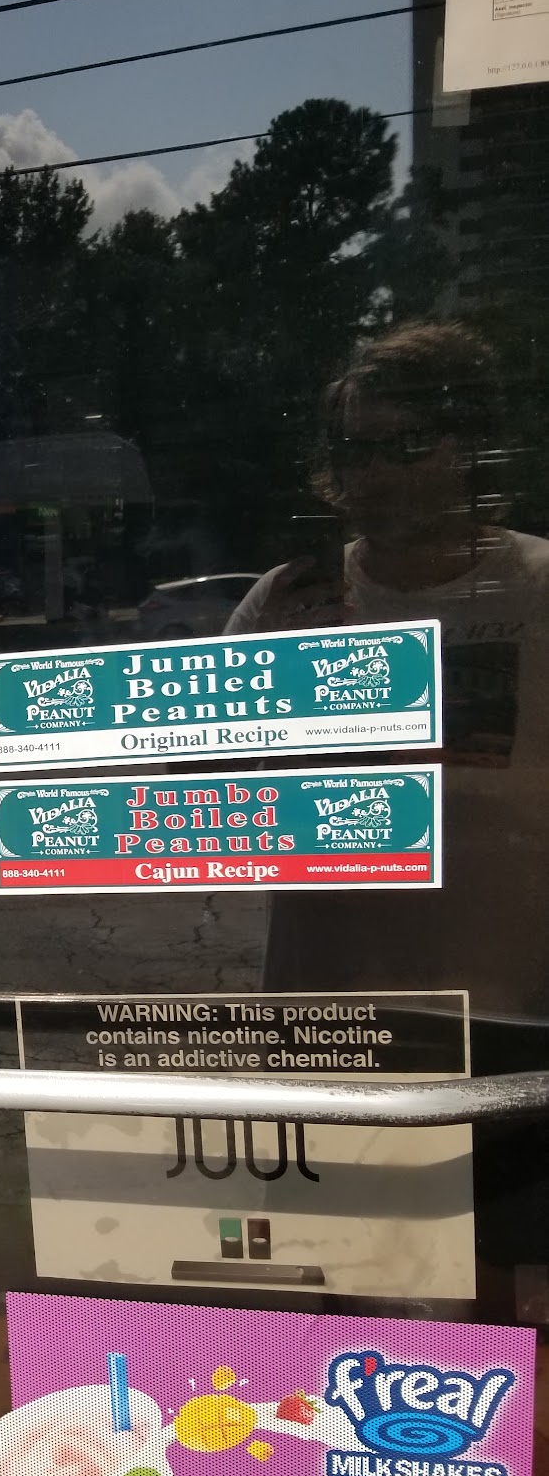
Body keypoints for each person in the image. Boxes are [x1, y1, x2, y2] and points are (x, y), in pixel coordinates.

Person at [226, 321, 549, 1018]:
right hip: (327, 1014)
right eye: (352, 451)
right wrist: (264, 676)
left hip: (511, 1014)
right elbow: (198, 794)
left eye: (407, 445)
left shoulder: (538, 588)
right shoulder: (286, 600)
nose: (373, 475)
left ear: (473, 446)